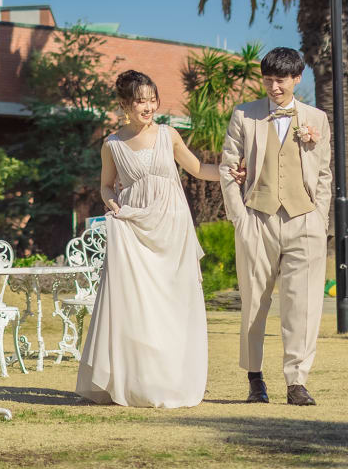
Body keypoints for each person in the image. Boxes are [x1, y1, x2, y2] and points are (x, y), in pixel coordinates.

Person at [76, 69, 233, 407]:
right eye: (139, 101)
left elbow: (197, 169)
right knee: (138, 306)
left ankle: (173, 382)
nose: (148, 107)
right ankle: (138, 383)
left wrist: (229, 172)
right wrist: (112, 203)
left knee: (173, 305)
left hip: (172, 229)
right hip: (134, 230)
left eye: (151, 99)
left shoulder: (169, 134)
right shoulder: (112, 145)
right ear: (124, 105)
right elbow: (106, 185)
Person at [219, 46, 331, 406]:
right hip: (257, 219)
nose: (273, 86)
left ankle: (297, 382)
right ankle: (255, 379)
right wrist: (240, 218)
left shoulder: (317, 118)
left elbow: (325, 174)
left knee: (304, 304)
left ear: (296, 78)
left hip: (304, 221)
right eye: (267, 79)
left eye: (280, 80)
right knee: (254, 302)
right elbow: (227, 167)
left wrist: (319, 218)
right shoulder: (244, 115)